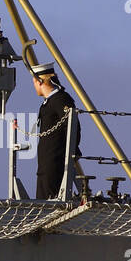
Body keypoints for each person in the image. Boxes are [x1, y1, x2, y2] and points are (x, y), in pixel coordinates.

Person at [31, 63, 80, 199]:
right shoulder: (48, 102)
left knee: (49, 202)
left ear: (39, 81)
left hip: (56, 162)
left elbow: (73, 126)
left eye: (34, 82)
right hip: (46, 163)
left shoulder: (60, 99)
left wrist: (71, 153)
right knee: (42, 199)